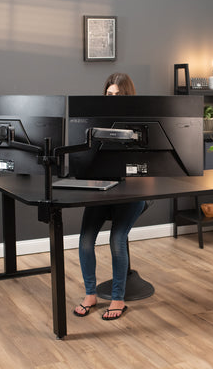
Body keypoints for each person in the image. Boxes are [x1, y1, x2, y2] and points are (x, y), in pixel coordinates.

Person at [73, 73, 145, 320]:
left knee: (117, 240)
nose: (113, 99)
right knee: (85, 241)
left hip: (132, 191)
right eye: (109, 94)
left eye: (119, 95)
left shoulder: (140, 122)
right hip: (101, 188)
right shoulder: (94, 120)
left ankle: (118, 299)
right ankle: (90, 294)